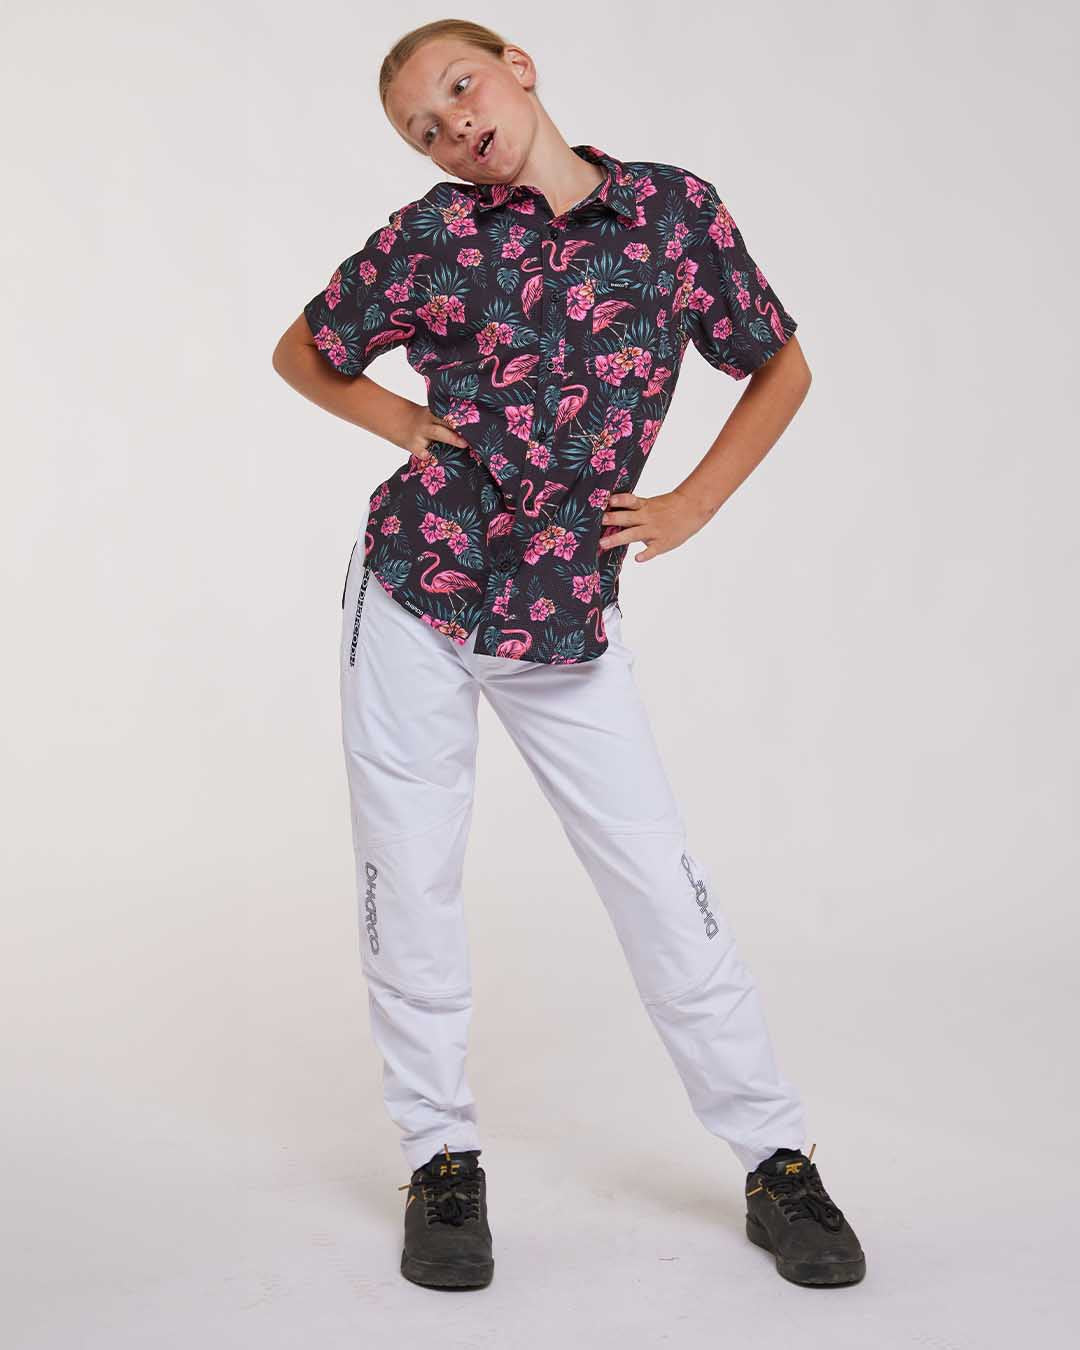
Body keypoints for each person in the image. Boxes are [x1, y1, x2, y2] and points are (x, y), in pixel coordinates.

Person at [272, 18, 866, 1292]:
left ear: (519, 67)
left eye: (461, 88)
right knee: (411, 880)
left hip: (565, 617)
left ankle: (774, 1159)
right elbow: (304, 351)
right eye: (425, 128)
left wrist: (693, 502)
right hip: (418, 591)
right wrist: (402, 420)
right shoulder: (432, 236)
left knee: (657, 878)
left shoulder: (671, 215)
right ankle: (440, 1160)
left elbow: (778, 364)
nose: (454, 125)